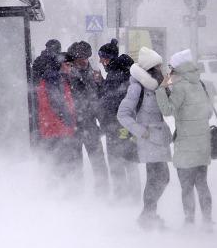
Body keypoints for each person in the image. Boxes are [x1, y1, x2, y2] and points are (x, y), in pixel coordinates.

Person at [155, 49, 215, 231]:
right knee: (202, 184)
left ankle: (189, 222)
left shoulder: (180, 87)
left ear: (177, 69)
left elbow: (167, 110)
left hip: (186, 145)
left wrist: (162, 88)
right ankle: (207, 222)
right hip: (203, 142)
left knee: (187, 186)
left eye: (171, 68)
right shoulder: (202, 84)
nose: (169, 71)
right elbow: (209, 112)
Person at [117, 47, 172, 230]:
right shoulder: (137, 87)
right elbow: (123, 114)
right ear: (150, 68)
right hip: (148, 139)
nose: (161, 69)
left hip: (159, 139)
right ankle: (148, 215)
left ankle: (148, 214)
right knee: (158, 177)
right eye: (158, 66)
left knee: (161, 178)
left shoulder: (158, 86)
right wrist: (141, 131)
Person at [64, 41, 110, 197]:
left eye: (86, 57)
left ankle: (102, 195)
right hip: (73, 126)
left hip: (90, 125)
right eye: (80, 58)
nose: (84, 61)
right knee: (74, 164)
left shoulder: (93, 73)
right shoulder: (67, 75)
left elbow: (102, 99)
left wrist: (101, 82)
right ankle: (75, 196)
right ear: (74, 59)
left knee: (98, 162)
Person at [98, 39, 141, 202]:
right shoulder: (124, 71)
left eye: (102, 58)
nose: (101, 61)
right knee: (129, 159)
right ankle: (135, 195)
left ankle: (121, 196)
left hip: (116, 126)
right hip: (127, 125)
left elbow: (112, 102)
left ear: (109, 58)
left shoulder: (115, 74)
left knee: (117, 160)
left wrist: (105, 120)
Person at [32, 39, 77, 174]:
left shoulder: (51, 72)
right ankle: (60, 190)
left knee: (54, 162)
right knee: (60, 164)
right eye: (68, 65)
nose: (70, 68)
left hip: (51, 126)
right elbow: (56, 101)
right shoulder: (54, 78)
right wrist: (67, 118)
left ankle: (57, 188)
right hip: (56, 128)